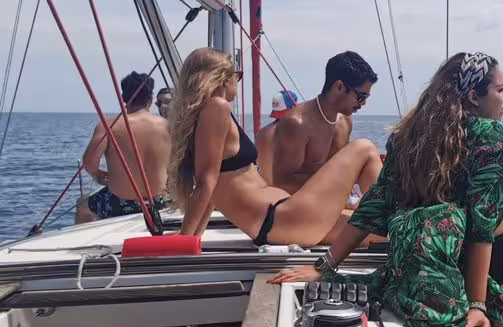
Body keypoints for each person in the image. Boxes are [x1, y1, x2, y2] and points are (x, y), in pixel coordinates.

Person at [270, 52, 503, 327]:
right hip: (498, 266)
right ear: (474, 96)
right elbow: (481, 226)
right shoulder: (492, 136)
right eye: (500, 89)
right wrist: (477, 304)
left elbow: (376, 204)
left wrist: (323, 267)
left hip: (439, 267)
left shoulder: (408, 136)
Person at [168, 48, 383, 247]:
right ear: (222, 77)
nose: (237, 81)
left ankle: (396, 224)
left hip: (282, 222)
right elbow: (207, 181)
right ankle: (397, 218)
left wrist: (194, 235)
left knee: (382, 233)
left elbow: (211, 185)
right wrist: (186, 239)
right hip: (279, 220)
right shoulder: (217, 107)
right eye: (237, 74)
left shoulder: (210, 114)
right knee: (364, 148)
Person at [271, 52, 378, 195]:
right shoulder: (297, 123)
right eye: (361, 96)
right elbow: (282, 182)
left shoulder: (345, 121)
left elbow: (340, 168)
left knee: (370, 157)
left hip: (335, 198)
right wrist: (336, 184)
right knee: (366, 148)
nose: (363, 103)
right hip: (302, 202)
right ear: (339, 87)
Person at [76, 72, 170, 222]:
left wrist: (99, 175)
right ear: (151, 99)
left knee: (83, 205)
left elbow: (88, 163)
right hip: (158, 202)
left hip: (119, 204)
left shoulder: (109, 126)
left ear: (124, 98)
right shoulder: (168, 126)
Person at [255, 89, 298, 184]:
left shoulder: (261, 133)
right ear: (292, 108)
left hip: (263, 186)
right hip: (283, 189)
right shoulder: (291, 133)